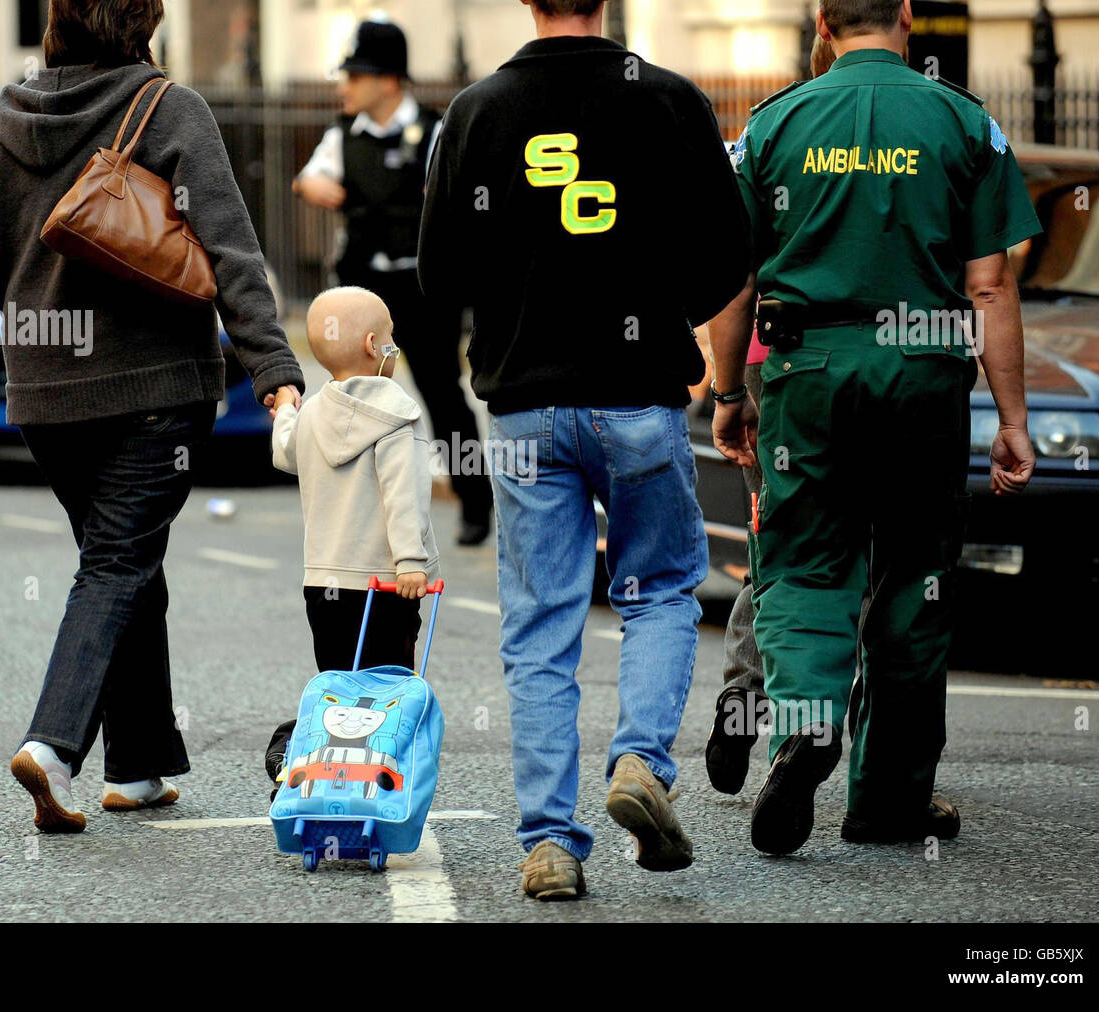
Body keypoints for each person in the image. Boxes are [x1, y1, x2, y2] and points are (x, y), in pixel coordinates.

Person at [0, 0, 305, 832]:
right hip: (152, 396)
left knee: (125, 564)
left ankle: (139, 767)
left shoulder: (15, 118)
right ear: (141, 20)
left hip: (46, 404)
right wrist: (273, 367)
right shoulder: (171, 108)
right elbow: (234, 250)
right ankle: (54, 745)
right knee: (116, 569)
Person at [419, 0, 751, 899]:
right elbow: (729, 258)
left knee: (541, 623)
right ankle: (640, 760)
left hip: (524, 405)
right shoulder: (671, 99)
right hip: (639, 395)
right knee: (662, 589)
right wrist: (711, 373)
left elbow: (437, 275)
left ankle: (550, 845)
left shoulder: (476, 110)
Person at [707, 0, 1039, 856]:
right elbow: (992, 289)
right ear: (904, 16)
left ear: (822, 22)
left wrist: (726, 394)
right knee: (913, 583)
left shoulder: (772, 127)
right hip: (922, 376)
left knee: (808, 565)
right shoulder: (964, 121)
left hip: (805, 374)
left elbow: (731, 282)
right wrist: (1012, 419)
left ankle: (806, 725)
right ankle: (888, 802)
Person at [294, 19, 493, 547]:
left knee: (442, 395)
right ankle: (358, 512)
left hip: (422, 288)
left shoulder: (432, 131)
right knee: (354, 400)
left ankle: (475, 502)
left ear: (388, 81)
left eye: (355, 76)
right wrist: (319, 188)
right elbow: (307, 178)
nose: (345, 87)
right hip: (363, 292)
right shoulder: (343, 135)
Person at [705, 34, 838, 797]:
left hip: (769, 367)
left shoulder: (767, 134)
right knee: (852, 560)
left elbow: (728, 266)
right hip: (841, 370)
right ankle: (808, 727)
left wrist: (723, 385)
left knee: (774, 547)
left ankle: (742, 694)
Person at [271, 286, 440, 672]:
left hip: (322, 583)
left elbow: (285, 453)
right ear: (372, 345)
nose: (394, 345)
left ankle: (337, 735)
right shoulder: (398, 414)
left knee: (338, 682)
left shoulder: (312, 412)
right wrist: (410, 560)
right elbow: (404, 492)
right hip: (383, 582)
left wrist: (284, 409)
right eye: (390, 337)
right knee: (385, 685)